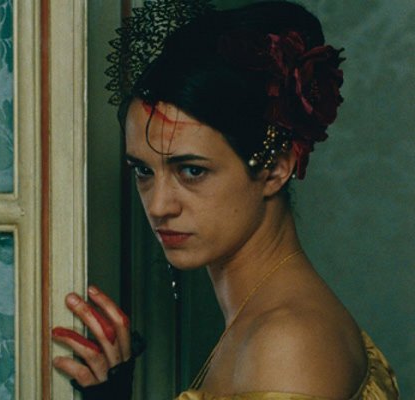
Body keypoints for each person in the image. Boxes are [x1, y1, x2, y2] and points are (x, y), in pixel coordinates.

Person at [52, 1, 400, 399]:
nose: (159, 205)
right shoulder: (260, 319)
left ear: (276, 167)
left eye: (191, 170)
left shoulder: (287, 343)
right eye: (144, 170)